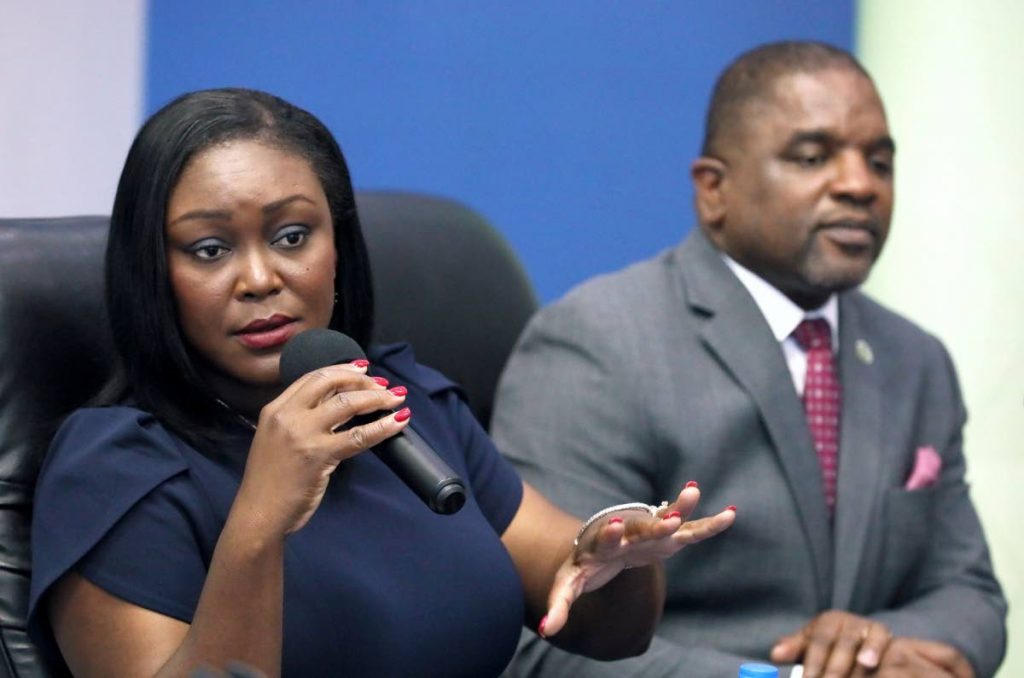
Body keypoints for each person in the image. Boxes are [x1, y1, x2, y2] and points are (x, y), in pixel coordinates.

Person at [26, 88, 736, 677]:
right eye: (210, 249)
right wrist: (260, 515)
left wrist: (622, 559)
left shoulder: (400, 399)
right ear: (155, 273)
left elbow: (601, 629)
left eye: (292, 236)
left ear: (339, 244)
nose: (261, 278)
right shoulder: (116, 471)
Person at [493, 41, 1006, 678]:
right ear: (714, 190)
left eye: (880, 162)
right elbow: (547, 634)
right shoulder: (597, 343)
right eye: (814, 157)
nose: (859, 186)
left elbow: (971, 595)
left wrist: (871, 649)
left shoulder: (916, 359)